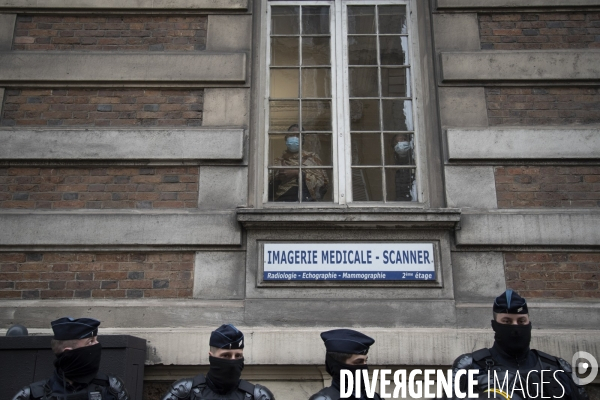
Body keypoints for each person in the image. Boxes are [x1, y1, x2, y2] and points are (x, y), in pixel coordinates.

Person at [446, 289, 589, 400]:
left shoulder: (558, 367)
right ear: (494, 325)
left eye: (521, 321)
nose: (515, 328)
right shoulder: (470, 366)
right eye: (507, 322)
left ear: (529, 324)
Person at [12, 317, 129, 400]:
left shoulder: (111, 388)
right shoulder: (32, 395)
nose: (97, 345)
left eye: (96, 339)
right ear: (69, 352)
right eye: (90, 341)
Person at [161, 324, 275, 400]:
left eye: (238, 355)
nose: (233, 361)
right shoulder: (183, 392)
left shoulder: (258, 396)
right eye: (226, 355)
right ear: (211, 357)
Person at [309, 329, 382, 400]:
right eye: (358, 362)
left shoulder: (374, 397)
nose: (364, 367)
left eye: (365, 361)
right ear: (338, 366)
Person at [269, 124, 329, 202]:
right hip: (282, 202)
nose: (294, 138)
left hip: (306, 202)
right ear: (286, 138)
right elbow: (267, 189)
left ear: (303, 140)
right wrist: (278, 177)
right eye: (291, 135)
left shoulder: (312, 158)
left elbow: (323, 184)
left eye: (298, 135)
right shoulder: (277, 162)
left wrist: (297, 173)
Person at [391, 133, 416, 201]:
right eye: (397, 142)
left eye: (404, 140)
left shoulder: (415, 158)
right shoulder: (392, 163)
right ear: (394, 146)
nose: (401, 143)